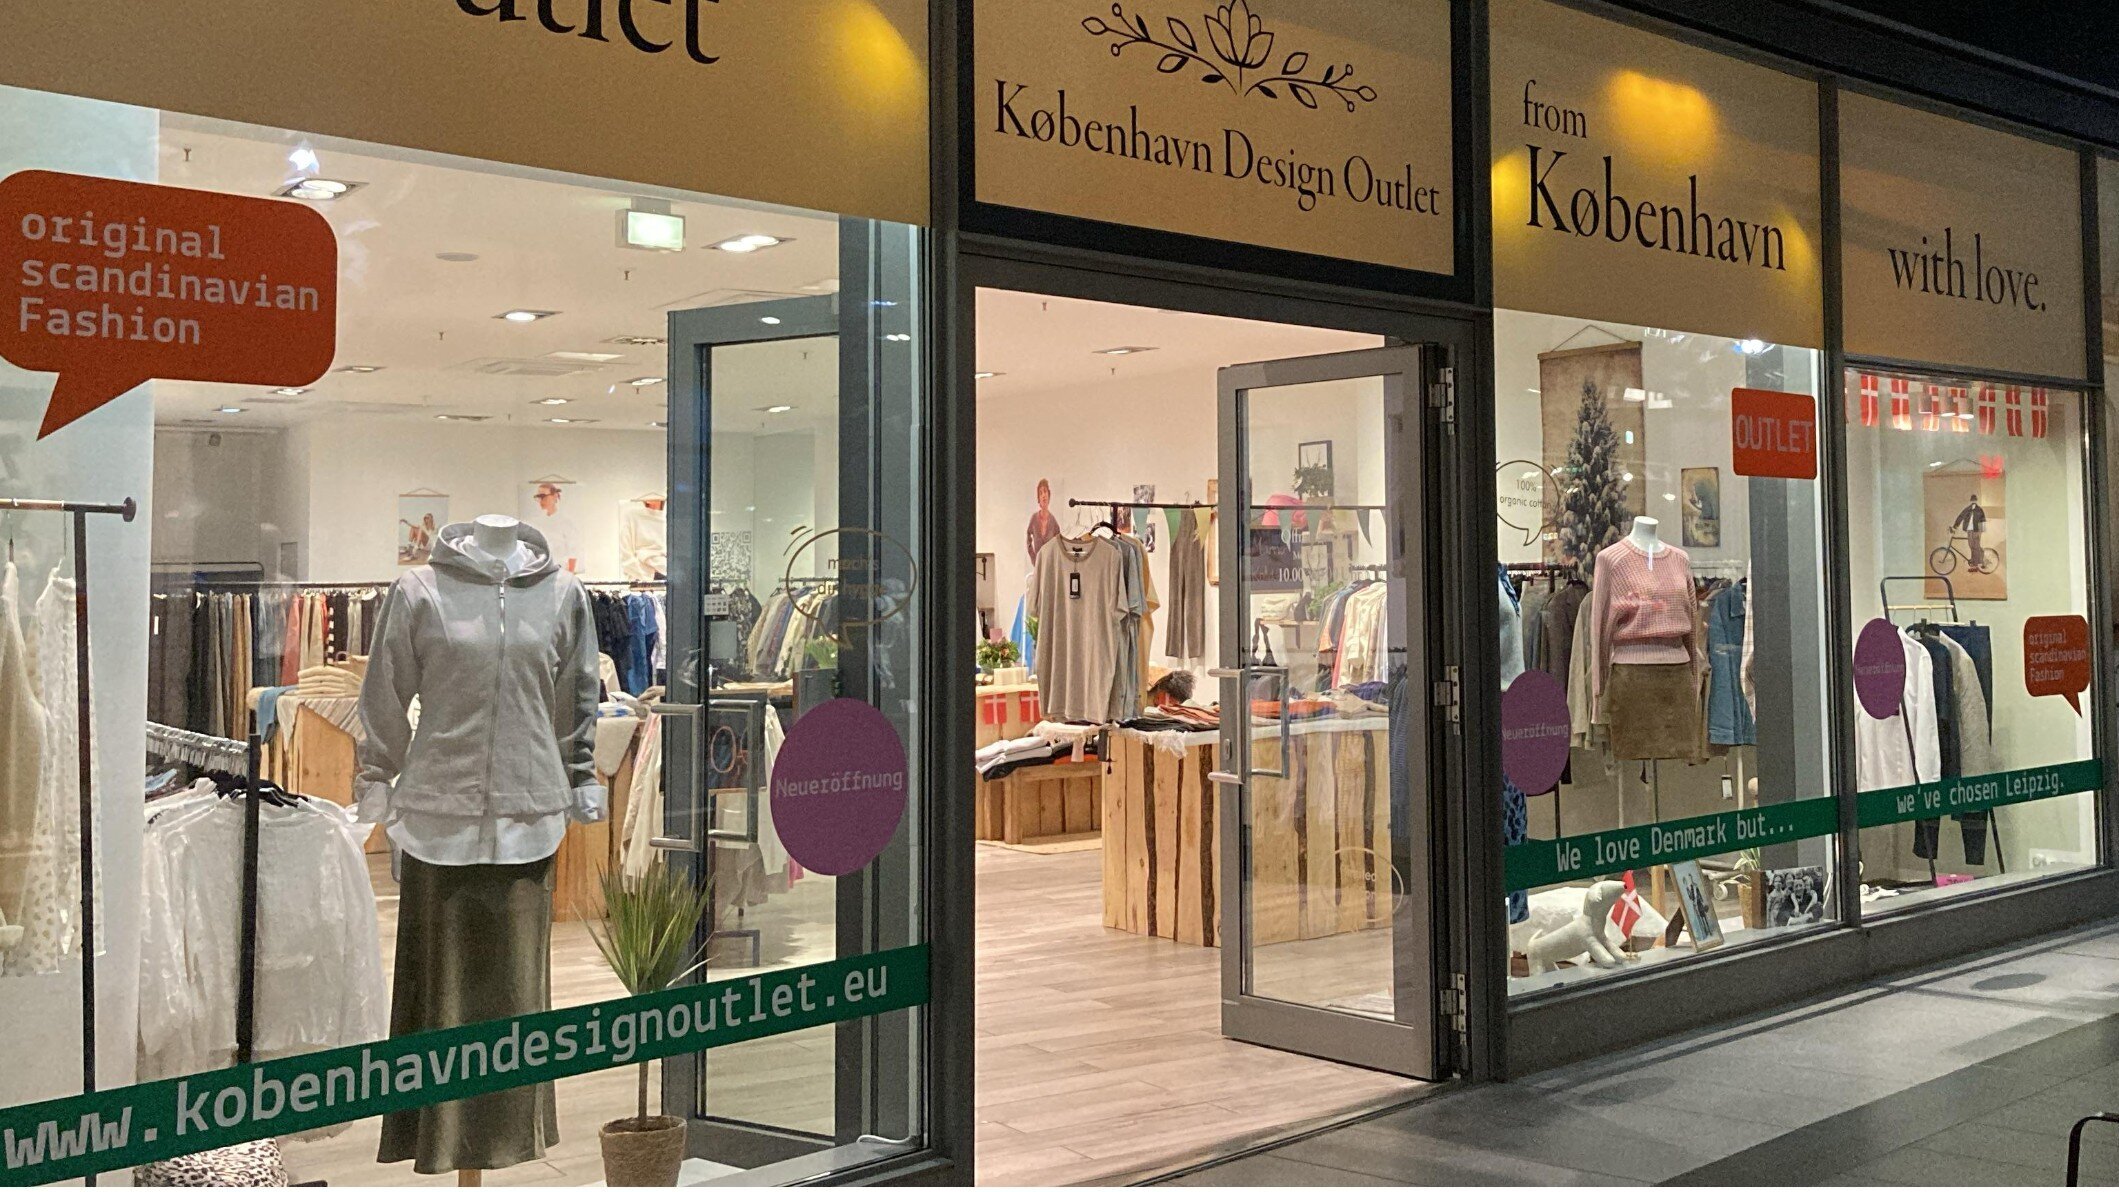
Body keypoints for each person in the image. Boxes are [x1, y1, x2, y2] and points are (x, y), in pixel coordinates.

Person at [526, 482, 582, 573]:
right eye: (538, 497)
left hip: (560, 571)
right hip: (541, 572)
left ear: (554, 496)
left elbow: (574, 551)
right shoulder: (536, 523)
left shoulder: (566, 523)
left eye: (543, 496)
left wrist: (570, 575)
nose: (541, 500)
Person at [1025, 478, 1060, 565]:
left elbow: (1059, 545)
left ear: (1049, 495)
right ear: (1038, 499)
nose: (1043, 495)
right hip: (1037, 565)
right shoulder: (1034, 519)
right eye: (1040, 493)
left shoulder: (1053, 522)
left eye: (1045, 492)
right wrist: (1033, 558)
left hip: (1050, 566)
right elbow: (1028, 538)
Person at [1951, 494, 1987, 568]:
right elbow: (1960, 517)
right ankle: (1978, 560)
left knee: (1975, 546)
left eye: (1975, 500)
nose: (1973, 501)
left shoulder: (1979, 509)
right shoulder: (1967, 509)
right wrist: (1955, 526)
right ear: (1971, 501)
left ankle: (1975, 564)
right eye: (1972, 500)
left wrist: (1981, 531)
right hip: (1969, 530)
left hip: (1976, 530)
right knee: (1971, 546)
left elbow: (1983, 519)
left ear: (1976, 501)